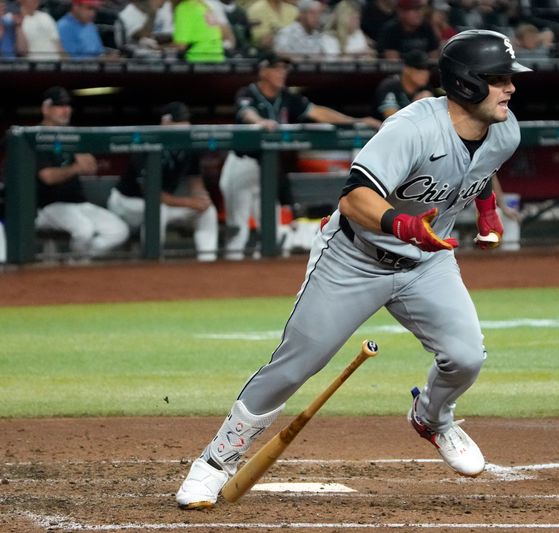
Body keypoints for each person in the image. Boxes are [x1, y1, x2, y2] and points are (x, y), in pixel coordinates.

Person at [175, 29, 530, 509]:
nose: (510, 87)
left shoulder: (506, 129)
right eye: (499, 78)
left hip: (427, 263)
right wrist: (401, 224)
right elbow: (355, 196)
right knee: (296, 364)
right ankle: (215, 462)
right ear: (466, 83)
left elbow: (481, 170)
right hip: (354, 258)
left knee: (466, 357)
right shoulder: (411, 127)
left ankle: (432, 418)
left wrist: (487, 216)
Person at [219, 51, 382, 260]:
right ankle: (229, 273)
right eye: (277, 68)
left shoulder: (287, 97)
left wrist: (355, 121)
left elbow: (318, 112)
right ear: (263, 71)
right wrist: (259, 122)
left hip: (267, 169)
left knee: (272, 228)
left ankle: (258, 281)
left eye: (284, 69)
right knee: (238, 227)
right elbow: (246, 113)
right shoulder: (248, 93)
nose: (282, 73)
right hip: (242, 165)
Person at [107, 102, 219, 261]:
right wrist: (189, 202)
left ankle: (207, 260)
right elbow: (151, 193)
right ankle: (153, 260)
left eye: (186, 121)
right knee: (158, 210)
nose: (184, 125)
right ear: (165, 122)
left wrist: (201, 197)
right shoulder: (146, 143)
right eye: (179, 121)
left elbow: (195, 179)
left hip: (164, 203)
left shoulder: (188, 145)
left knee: (208, 211)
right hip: (127, 203)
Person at [34, 86, 130, 260]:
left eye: (67, 106)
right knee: (84, 230)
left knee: (119, 230)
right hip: (48, 206)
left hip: (78, 203)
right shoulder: (36, 136)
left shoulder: (72, 134)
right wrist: (76, 168)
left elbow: (90, 164)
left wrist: (76, 148)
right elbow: (48, 177)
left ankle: (78, 261)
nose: (66, 110)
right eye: (59, 106)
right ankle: (78, 265)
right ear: (46, 109)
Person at [371, 48, 432, 121]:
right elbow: (392, 120)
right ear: (406, 69)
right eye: (419, 69)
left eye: (427, 69)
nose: (425, 74)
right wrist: (416, 106)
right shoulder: (390, 86)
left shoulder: (426, 88)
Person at [376, 0, 440, 59]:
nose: (419, 13)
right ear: (401, 12)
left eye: (420, 9)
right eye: (414, 10)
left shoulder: (426, 27)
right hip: (400, 70)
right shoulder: (391, 30)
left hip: (425, 69)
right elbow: (393, 62)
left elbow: (434, 58)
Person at [273, 0, 338, 58]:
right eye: (312, 13)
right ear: (302, 14)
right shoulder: (286, 33)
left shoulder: (319, 36)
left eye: (319, 13)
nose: (317, 17)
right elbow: (280, 56)